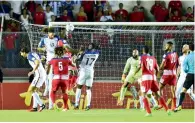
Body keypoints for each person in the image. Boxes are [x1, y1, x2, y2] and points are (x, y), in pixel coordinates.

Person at [134, 46, 171, 117]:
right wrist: (155, 76)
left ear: (143, 51)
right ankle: (167, 109)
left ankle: (149, 112)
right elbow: (157, 69)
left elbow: (139, 66)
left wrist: (134, 72)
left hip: (146, 77)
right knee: (158, 94)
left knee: (143, 94)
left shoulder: (142, 57)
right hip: (153, 77)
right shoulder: (153, 58)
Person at [47, 45, 75, 111]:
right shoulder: (67, 59)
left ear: (55, 52)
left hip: (56, 78)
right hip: (64, 79)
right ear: (63, 52)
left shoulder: (53, 59)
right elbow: (73, 65)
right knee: (64, 92)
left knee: (53, 91)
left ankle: (54, 104)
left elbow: (48, 64)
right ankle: (65, 107)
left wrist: (47, 71)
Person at [19, 47, 46, 112]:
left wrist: (32, 71)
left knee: (31, 90)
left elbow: (37, 62)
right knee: (34, 91)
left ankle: (42, 105)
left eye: (21, 53)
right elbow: (43, 57)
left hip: (39, 75)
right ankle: (35, 107)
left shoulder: (29, 56)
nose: (21, 54)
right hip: (41, 74)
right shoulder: (33, 53)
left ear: (24, 52)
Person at [74, 43, 99, 110]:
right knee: (88, 89)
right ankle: (88, 105)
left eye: (89, 46)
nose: (88, 47)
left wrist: (79, 53)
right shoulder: (97, 54)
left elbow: (77, 60)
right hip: (90, 72)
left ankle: (76, 104)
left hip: (83, 71)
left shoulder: (85, 53)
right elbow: (97, 50)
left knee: (79, 87)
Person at [174, 43, 195, 112]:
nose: (183, 48)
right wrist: (176, 77)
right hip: (182, 77)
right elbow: (178, 68)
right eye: (183, 47)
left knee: (191, 93)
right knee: (177, 91)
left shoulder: (188, 56)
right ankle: (177, 106)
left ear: (188, 48)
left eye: (185, 47)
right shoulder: (180, 58)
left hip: (188, 76)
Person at [159, 42, 179, 111]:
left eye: (167, 45)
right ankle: (174, 107)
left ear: (170, 46)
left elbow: (162, 65)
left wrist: (160, 68)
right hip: (174, 74)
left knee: (159, 88)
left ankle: (161, 104)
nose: (166, 46)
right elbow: (177, 64)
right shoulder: (175, 54)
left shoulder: (166, 55)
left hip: (167, 74)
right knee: (173, 91)